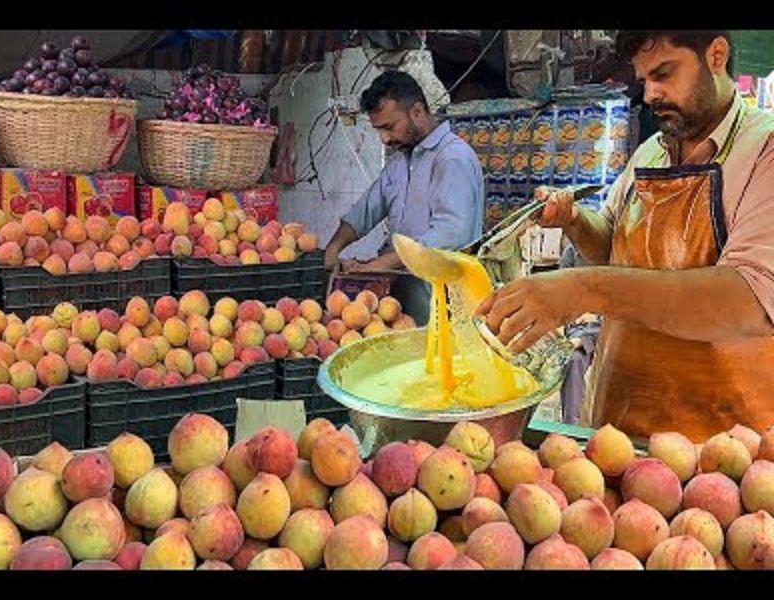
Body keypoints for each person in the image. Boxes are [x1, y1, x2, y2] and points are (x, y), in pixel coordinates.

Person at [475, 31, 774, 442]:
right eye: (644, 80)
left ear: (716, 55)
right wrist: (576, 221)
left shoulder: (764, 150)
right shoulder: (652, 150)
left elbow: (748, 301)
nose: (650, 94)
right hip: (619, 433)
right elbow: (614, 243)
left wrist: (582, 290)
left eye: (664, 73)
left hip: (721, 450)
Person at [323, 70, 485, 324]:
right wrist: (334, 247)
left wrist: (382, 263)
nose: (385, 139)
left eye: (389, 127)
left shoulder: (453, 158)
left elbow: (453, 232)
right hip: (406, 309)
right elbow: (366, 210)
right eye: (379, 130)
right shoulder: (400, 162)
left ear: (417, 112)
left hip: (447, 311)